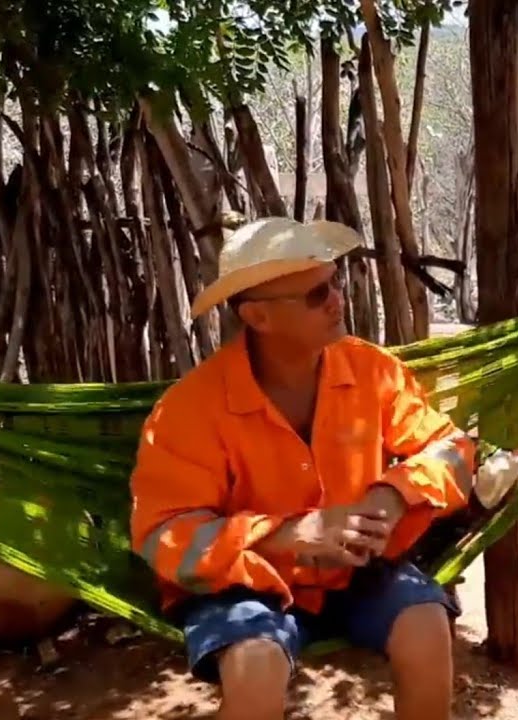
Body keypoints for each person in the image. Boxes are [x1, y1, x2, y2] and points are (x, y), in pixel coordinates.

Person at [129, 217, 475, 720]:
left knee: (425, 625)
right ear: (258, 317)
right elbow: (162, 536)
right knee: (256, 669)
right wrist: (289, 537)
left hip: (353, 573)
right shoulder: (190, 409)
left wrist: (392, 496)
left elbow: (452, 449)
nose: (337, 299)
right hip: (243, 585)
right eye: (316, 294)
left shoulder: (371, 371)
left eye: (334, 282)